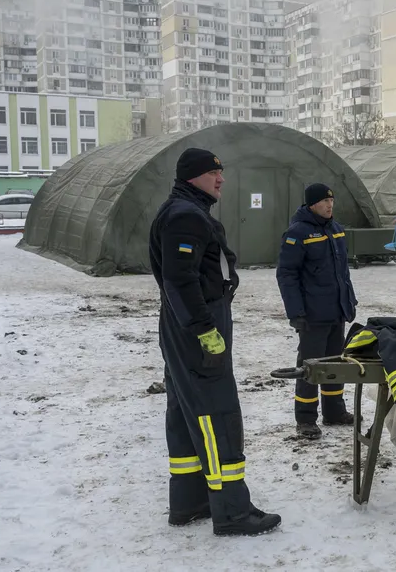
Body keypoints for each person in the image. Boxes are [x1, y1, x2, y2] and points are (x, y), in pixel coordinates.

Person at [149, 147, 280, 536]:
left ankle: (190, 500)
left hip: (185, 323)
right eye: (212, 173)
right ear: (193, 177)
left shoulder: (185, 211)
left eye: (221, 172)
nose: (221, 179)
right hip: (197, 325)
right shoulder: (185, 216)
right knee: (216, 412)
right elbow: (179, 279)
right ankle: (233, 510)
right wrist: (204, 329)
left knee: (185, 409)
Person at [275, 183, 359, 440]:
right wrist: (296, 312)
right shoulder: (297, 233)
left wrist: (349, 301)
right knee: (310, 367)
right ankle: (305, 418)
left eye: (331, 201)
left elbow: (342, 273)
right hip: (312, 314)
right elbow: (286, 274)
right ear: (312, 204)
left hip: (336, 311)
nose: (330, 205)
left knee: (335, 363)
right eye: (324, 201)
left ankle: (334, 411)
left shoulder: (336, 230)